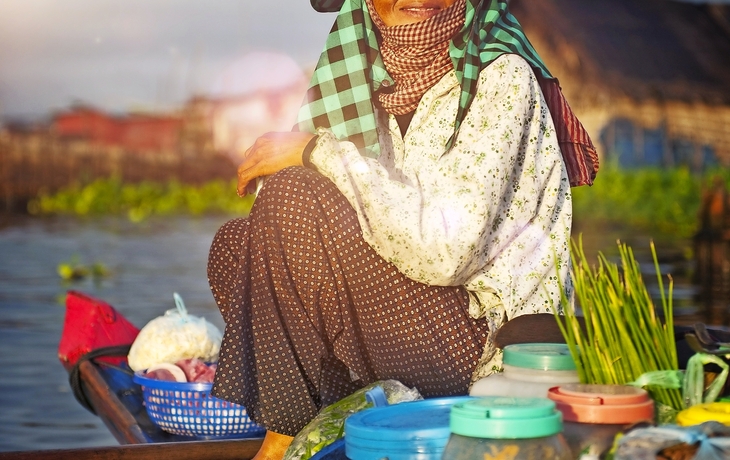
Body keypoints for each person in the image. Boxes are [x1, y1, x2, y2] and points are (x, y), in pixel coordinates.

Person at [207, 0, 598, 458]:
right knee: (238, 245)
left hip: (487, 354)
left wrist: (320, 152)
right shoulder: (356, 78)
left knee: (294, 194)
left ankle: (287, 436)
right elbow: (287, 233)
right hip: (410, 324)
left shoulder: (501, 74)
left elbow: (447, 249)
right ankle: (329, 413)